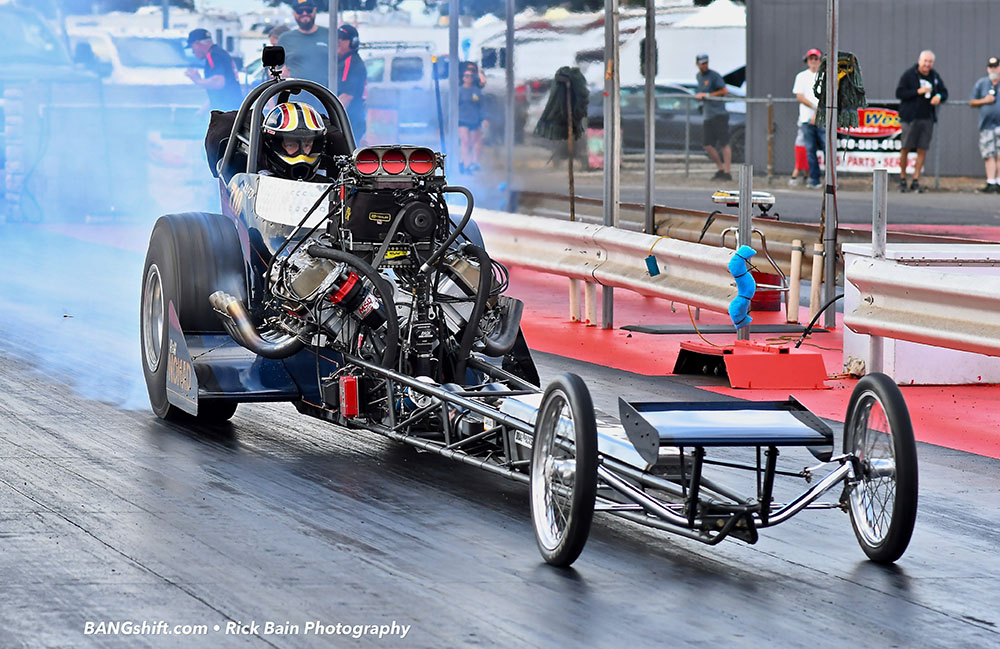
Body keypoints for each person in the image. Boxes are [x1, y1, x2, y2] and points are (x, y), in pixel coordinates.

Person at [895, 50, 948, 193]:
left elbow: (944, 92)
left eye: (930, 62)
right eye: (925, 61)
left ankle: (916, 180)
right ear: (919, 61)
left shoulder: (934, 76)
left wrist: (939, 96)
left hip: (927, 118)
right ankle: (902, 179)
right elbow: (899, 93)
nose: (927, 64)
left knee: (922, 149)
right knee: (905, 148)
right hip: (910, 118)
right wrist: (917, 91)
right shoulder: (909, 75)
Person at [261, 101, 328, 181]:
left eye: (307, 145)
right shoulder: (254, 183)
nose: (301, 156)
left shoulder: (329, 182)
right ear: (275, 145)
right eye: (291, 145)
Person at [184, 28, 242, 111]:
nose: (193, 52)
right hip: (233, 109)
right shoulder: (219, 53)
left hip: (227, 112)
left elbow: (218, 83)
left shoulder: (213, 55)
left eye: (192, 47)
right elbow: (220, 90)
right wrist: (202, 111)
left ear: (197, 44)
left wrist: (197, 79)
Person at [695, 53, 731, 181]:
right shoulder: (699, 76)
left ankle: (727, 172)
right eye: (702, 63)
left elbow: (724, 91)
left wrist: (708, 95)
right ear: (697, 64)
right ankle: (720, 169)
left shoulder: (714, 76)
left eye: (706, 63)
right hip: (707, 115)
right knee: (707, 145)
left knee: (724, 143)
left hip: (719, 114)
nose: (704, 66)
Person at [792, 48, 825, 189]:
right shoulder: (801, 76)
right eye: (811, 58)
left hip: (823, 119)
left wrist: (818, 113)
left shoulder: (825, 76)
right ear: (807, 60)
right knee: (810, 151)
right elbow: (800, 96)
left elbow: (827, 97)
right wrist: (814, 108)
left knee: (827, 149)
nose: (813, 61)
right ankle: (814, 179)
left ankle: (831, 179)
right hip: (806, 119)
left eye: (816, 58)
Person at [277, 0, 329, 87]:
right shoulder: (285, 39)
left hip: (325, 96)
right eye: (300, 11)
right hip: (294, 96)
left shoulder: (330, 35)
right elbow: (275, 70)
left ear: (315, 11)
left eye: (308, 10)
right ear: (294, 13)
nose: (304, 13)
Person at [969, 56, 1000, 193]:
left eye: (996, 67)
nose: (994, 69)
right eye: (991, 67)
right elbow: (972, 102)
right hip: (987, 125)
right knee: (989, 154)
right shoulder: (982, 83)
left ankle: (999, 182)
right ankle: (990, 182)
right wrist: (984, 100)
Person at [336, 24, 367, 144]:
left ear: (353, 42)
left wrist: (332, 119)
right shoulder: (342, 61)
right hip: (349, 119)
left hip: (350, 121)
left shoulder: (351, 62)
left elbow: (346, 96)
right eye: (338, 38)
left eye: (343, 39)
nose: (339, 42)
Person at [458, 62, 487, 174]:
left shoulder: (476, 91)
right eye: (466, 76)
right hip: (462, 120)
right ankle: (467, 165)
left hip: (474, 120)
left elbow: (482, 105)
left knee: (472, 143)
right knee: (465, 141)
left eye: (470, 76)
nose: (468, 78)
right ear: (463, 77)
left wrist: (484, 118)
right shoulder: (459, 90)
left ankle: (464, 161)